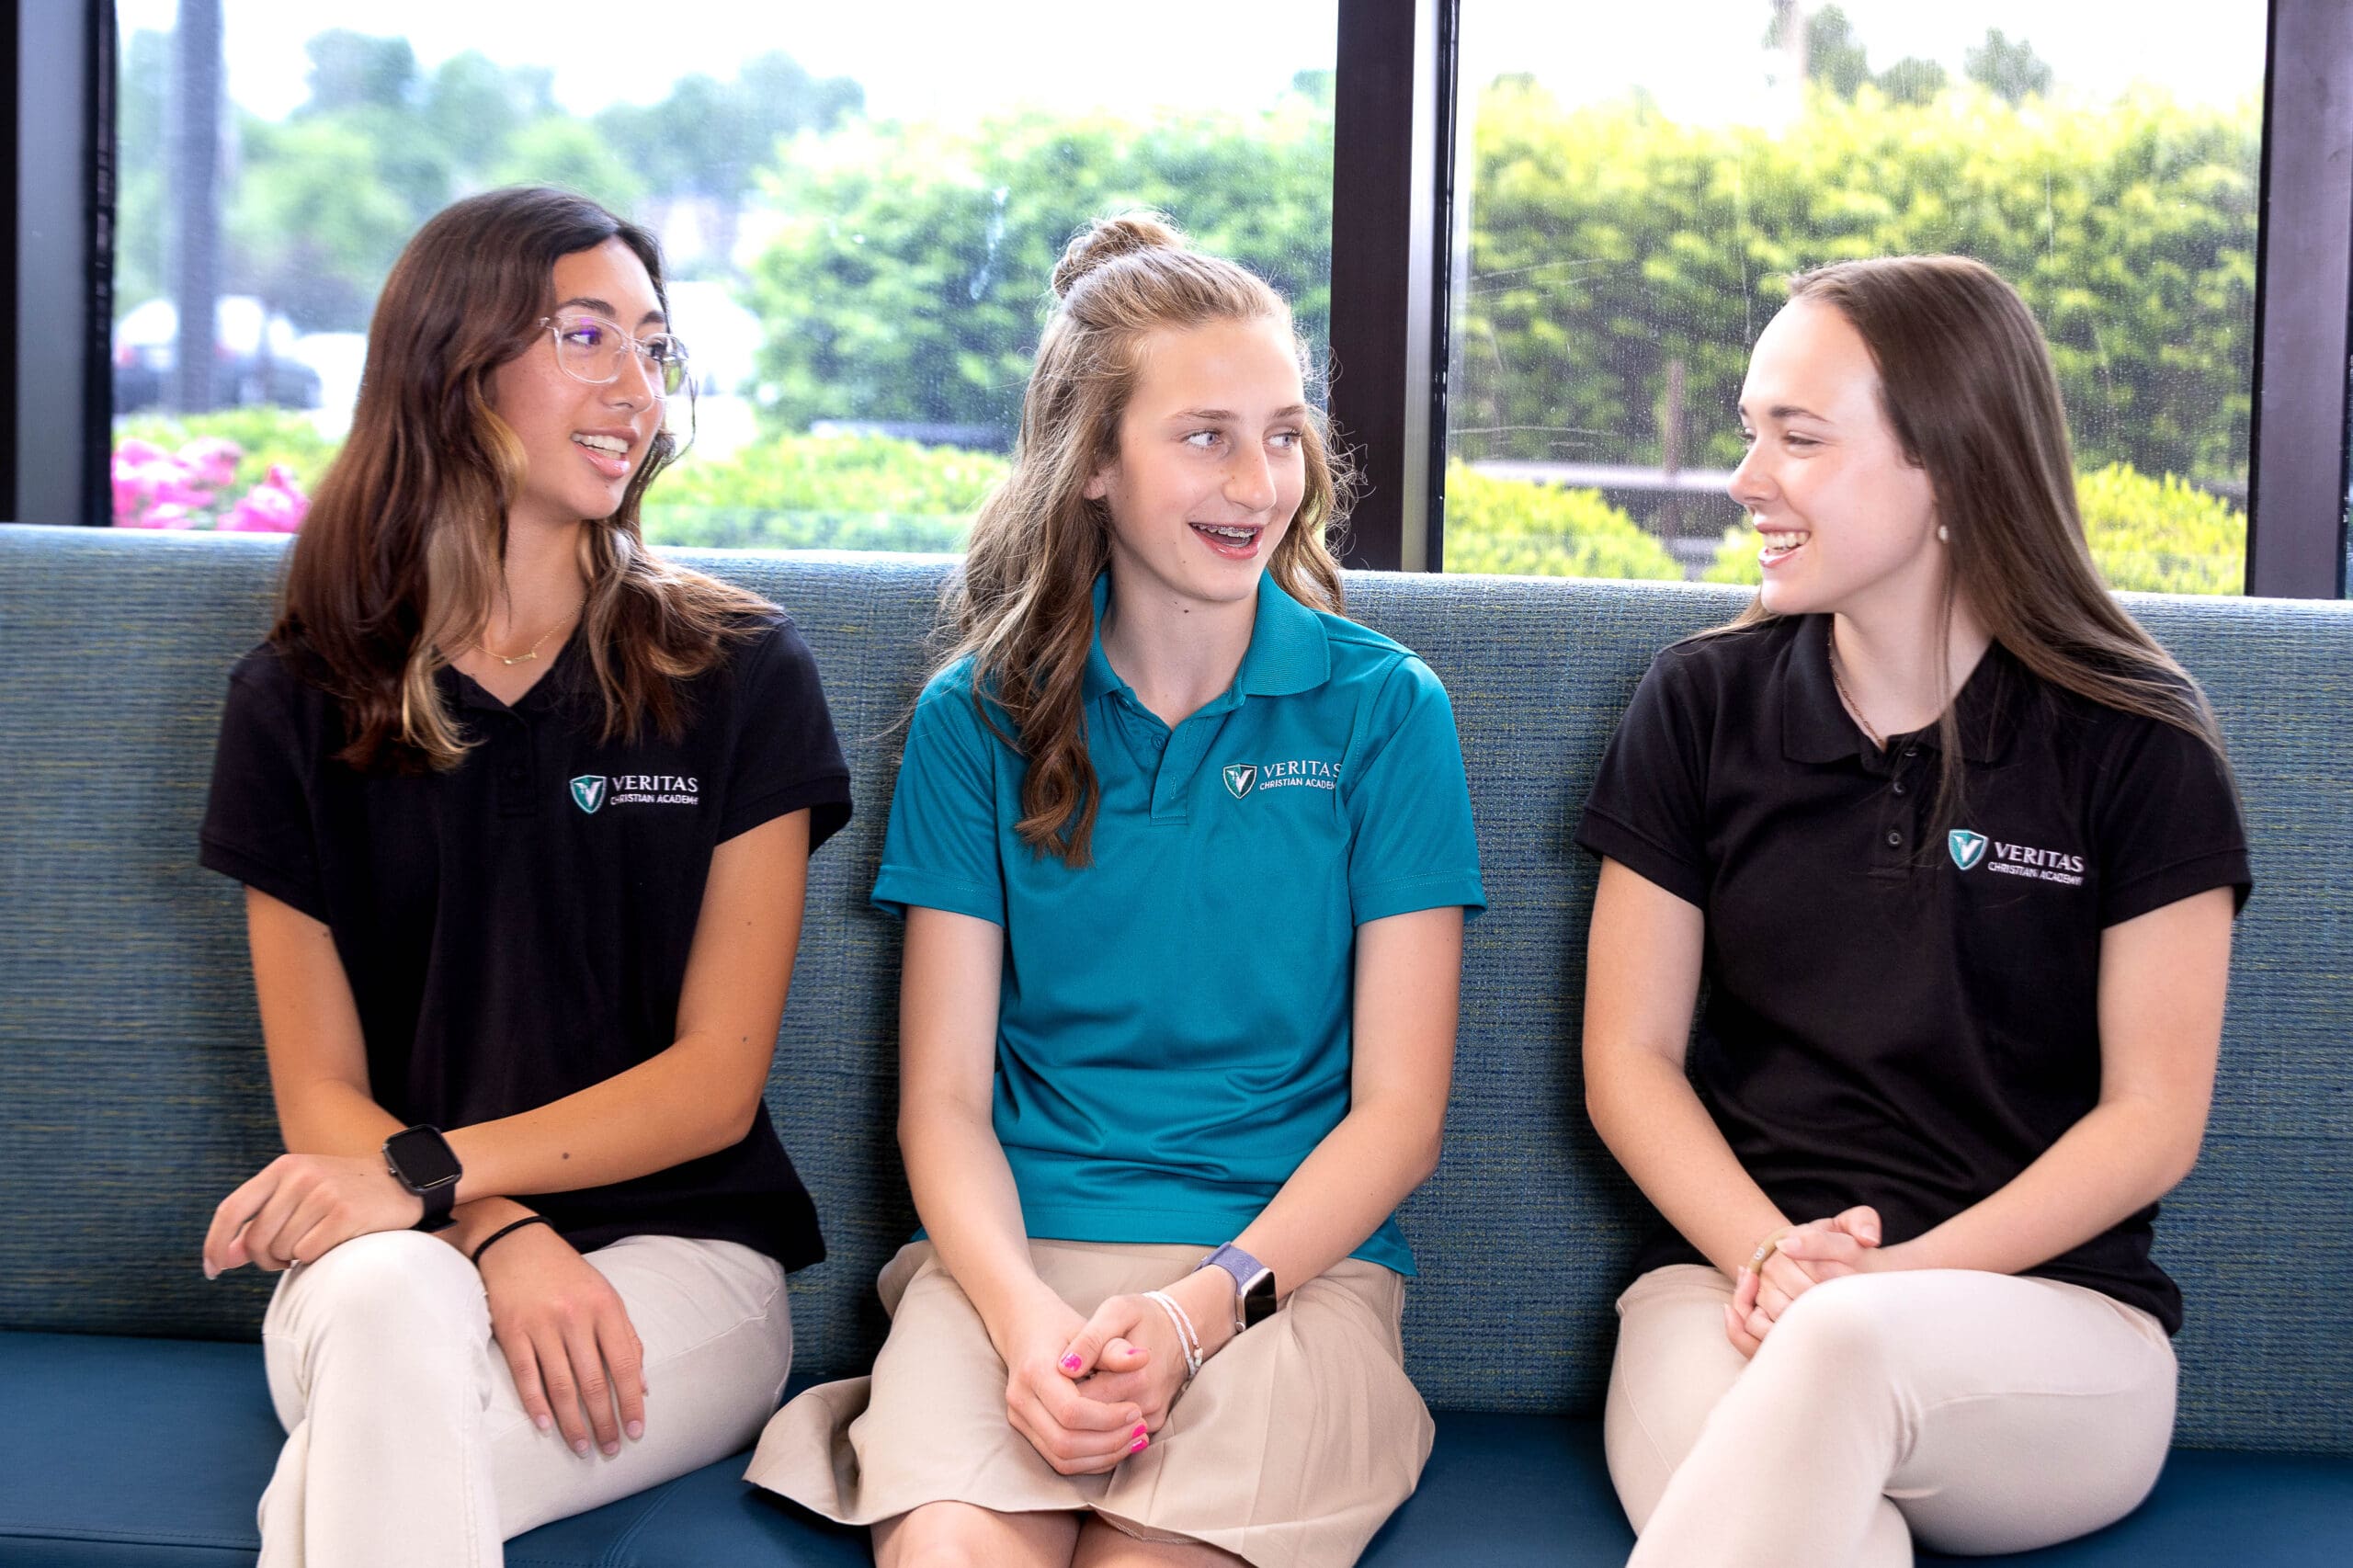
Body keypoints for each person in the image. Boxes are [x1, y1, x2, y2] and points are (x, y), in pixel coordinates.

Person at [746, 214, 1485, 1568]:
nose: (1259, 479)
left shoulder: (1387, 711)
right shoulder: (977, 718)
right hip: (1008, 1270)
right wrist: (1025, 1323)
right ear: (1093, 461)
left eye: (1282, 430)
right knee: (953, 1554)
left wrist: (1201, 1307)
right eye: (1205, 434)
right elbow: (946, 1103)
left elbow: (1400, 1116)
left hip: (1278, 1280)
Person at [194, 187, 852, 1568]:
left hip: (684, 1259)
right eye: (586, 336)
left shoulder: (740, 675)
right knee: (385, 1324)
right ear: (454, 363)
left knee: (359, 1473)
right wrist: (489, 1225)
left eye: (656, 347)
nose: (638, 389)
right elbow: (318, 1088)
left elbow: (712, 1081)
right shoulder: (294, 699)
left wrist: (435, 1176)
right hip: (388, 1256)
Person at [1577, 255, 2249, 1566]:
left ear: (1947, 466)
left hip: (2051, 1322)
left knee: (1843, 1350)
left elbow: (2153, 1122)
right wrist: (1773, 1257)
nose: (1745, 478)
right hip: (1720, 1288)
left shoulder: (2139, 745)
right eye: (1748, 430)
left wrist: (1880, 1287)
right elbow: (1626, 1059)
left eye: (1799, 438)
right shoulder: (1696, 705)